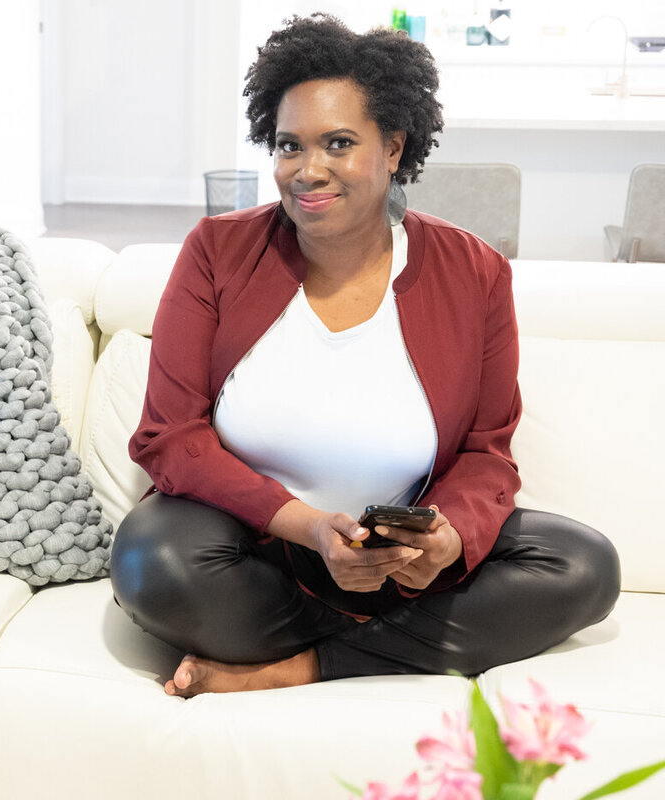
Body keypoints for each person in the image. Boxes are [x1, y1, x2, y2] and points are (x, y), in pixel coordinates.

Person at [110, 13, 620, 698]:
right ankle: (391, 652)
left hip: (406, 572)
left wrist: (444, 540)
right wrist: (311, 528)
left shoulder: (475, 272)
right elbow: (170, 438)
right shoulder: (217, 251)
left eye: (339, 143)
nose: (307, 170)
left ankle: (301, 666)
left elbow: (486, 451)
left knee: (584, 564)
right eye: (289, 145)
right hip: (259, 561)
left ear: (393, 148)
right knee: (153, 559)